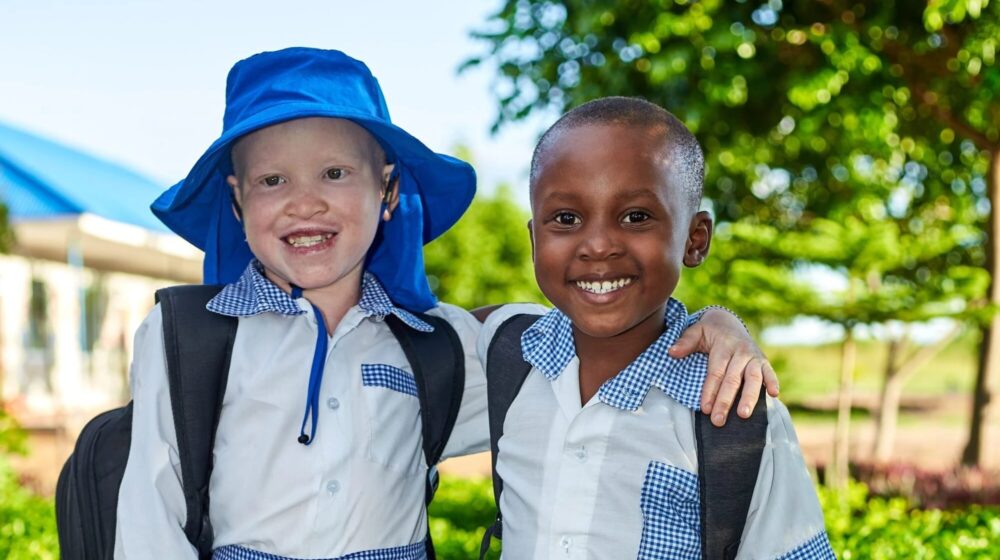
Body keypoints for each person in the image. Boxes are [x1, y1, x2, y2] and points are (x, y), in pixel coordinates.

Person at [115, 48, 777, 559]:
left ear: (388, 191)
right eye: (271, 180)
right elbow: (148, 520)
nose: (304, 201)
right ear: (236, 201)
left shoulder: (440, 345)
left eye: (336, 172)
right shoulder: (187, 338)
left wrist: (716, 323)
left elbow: (590, 331)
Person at [477, 97, 835, 559]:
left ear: (695, 238)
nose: (599, 245)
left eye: (636, 217)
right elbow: (415, 332)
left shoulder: (735, 414)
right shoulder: (508, 356)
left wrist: (722, 318)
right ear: (533, 240)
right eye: (566, 219)